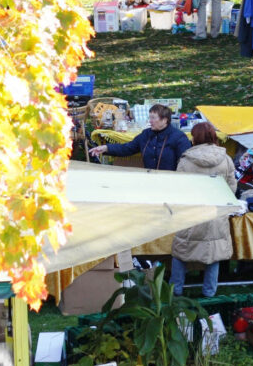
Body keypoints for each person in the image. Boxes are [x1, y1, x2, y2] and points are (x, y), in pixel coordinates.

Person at [171, 122, 236, 297]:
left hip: (192, 212)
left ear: (195, 137)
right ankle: (209, 291)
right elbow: (231, 188)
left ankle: (175, 289)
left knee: (181, 250)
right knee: (214, 252)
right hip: (215, 212)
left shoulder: (186, 161)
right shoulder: (226, 159)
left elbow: (179, 188)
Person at [88, 103, 189, 169]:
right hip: (149, 179)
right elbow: (127, 148)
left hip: (172, 182)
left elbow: (186, 163)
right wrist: (106, 148)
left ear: (165, 120)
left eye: (153, 118)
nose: (150, 121)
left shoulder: (179, 138)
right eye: (150, 117)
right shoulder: (146, 134)